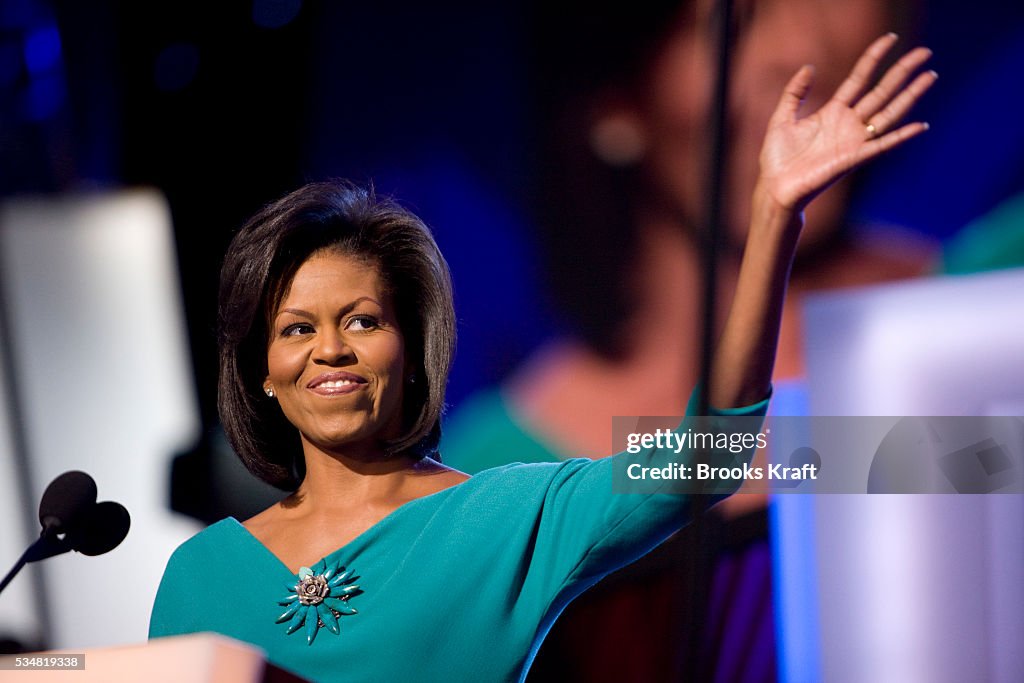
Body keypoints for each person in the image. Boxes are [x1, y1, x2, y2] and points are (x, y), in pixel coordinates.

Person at [149, 36, 934, 682]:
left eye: (361, 320)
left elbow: (712, 454)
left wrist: (773, 217)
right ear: (258, 369)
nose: (330, 349)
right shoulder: (201, 574)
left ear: (412, 348)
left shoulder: (509, 514)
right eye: (294, 329)